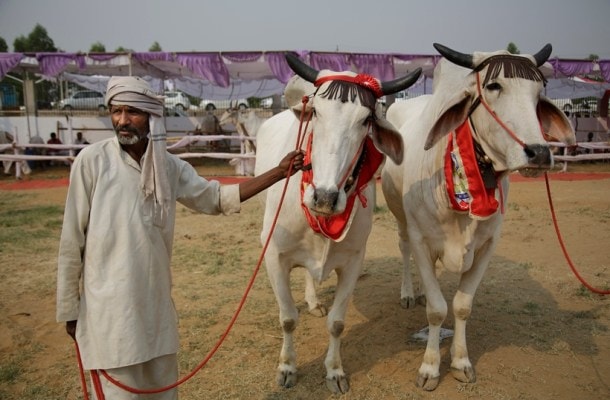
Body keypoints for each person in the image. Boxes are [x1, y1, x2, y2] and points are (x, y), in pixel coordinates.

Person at [56, 76, 304, 400]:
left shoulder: (169, 168)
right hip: (108, 318)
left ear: (151, 117)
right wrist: (69, 310)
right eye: (116, 111)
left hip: (156, 312)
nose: (122, 120)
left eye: (132, 111)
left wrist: (277, 172)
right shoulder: (91, 163)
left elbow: (215, 197)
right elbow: (70, 243)